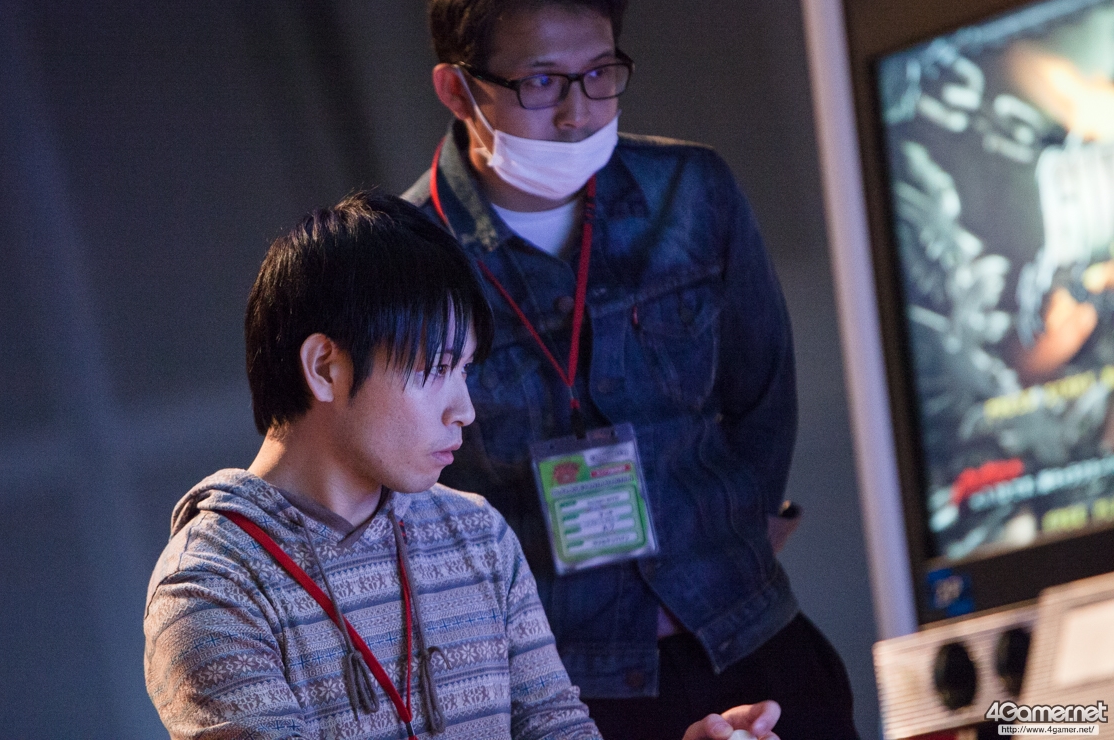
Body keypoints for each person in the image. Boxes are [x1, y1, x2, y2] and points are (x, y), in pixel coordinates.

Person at [401, 0, 859, 739]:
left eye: (601, 73)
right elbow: (415, 498)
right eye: (541, 82)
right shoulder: (407, 259)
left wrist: (735, 531)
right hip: (571, 686)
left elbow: (763, 395)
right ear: (458, 89)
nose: (579, 112)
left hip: (745, 628)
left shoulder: (691, 192)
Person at [142, 191, 781, 739]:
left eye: (466, 370)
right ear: (325, 368)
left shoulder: (476, 534)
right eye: (434, 369)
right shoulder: (212, 587)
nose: (465, 410)